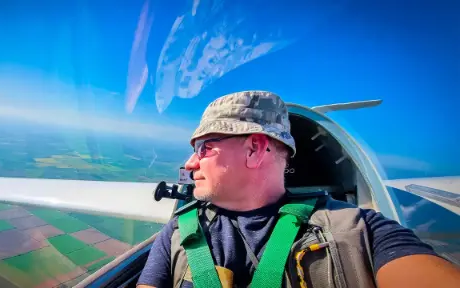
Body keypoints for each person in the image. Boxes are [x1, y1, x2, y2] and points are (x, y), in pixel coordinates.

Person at [136, 91, 460, 288]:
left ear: (254, 149)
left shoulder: (363, 232)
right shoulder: (180, 232)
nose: (190, 163)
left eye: (206, 147)